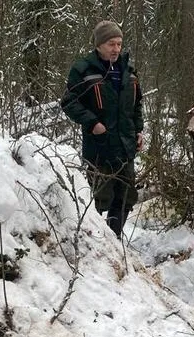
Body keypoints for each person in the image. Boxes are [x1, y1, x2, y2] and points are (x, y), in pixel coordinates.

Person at [61, 20, 144, 238]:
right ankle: (95, 241)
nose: (116, 49)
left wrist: (139, 130)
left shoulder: (130, 72)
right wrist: (93, 123)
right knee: (100, 197)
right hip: (99, 147)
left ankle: (114, 240)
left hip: (126, 146)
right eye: (111, 44)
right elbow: (69, 102)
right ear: (99, 45)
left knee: (125, 197)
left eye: (119, 44)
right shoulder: (83, 70)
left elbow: (137, 105)